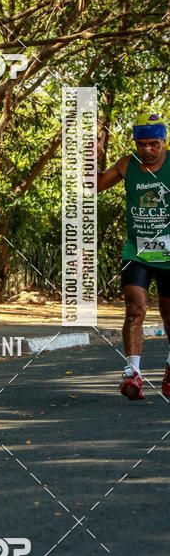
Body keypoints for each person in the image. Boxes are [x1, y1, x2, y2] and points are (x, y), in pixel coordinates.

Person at [97, 111, 170, 400]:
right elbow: (96, 184)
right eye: (142, 144)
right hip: (137, 250)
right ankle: (133, 372)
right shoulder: (127, 164)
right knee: (135, 309)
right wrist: (93, 156)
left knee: (168, 313)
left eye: (154, 144)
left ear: (164, 142)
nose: (147, 150)